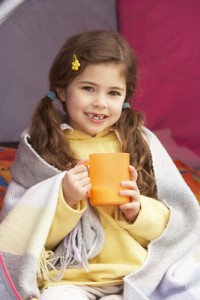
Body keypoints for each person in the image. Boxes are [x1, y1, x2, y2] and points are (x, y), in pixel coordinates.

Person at [0, 30, 200, 300]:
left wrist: (138, 211)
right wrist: (64, 200)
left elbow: (178, 224)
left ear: (125, 97)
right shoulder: (43, 147)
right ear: (62, 89)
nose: (100, 103)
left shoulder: (139, 143)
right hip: (68, 279)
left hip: (135, 275)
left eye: (113, 92)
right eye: (88, 88)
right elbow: (23, 233)